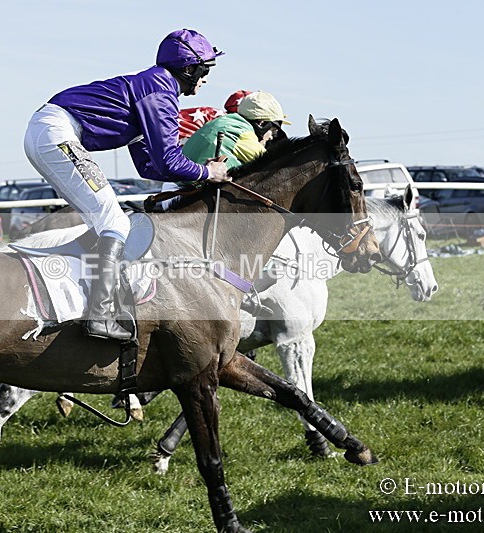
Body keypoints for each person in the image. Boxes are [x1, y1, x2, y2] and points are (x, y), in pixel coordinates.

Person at [24, 29, 229, 342]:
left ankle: (76, 293)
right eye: (206, 70)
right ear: (190, 69)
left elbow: (149, 165)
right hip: (56, 132)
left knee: (104, 220)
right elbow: (167, 162)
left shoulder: (152, 87)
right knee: (114, 221)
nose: (206, 78)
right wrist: (206, 173)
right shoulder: (160, 93)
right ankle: (99, 314)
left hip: (50, 131)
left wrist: (192, 173)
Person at [159, 91, 290, 210]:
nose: (271, 136)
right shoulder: (242, 133)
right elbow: (276, 168)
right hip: (184, 197)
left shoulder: (224, 121)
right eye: (273, 130)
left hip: (172, 192)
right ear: (262, 124)